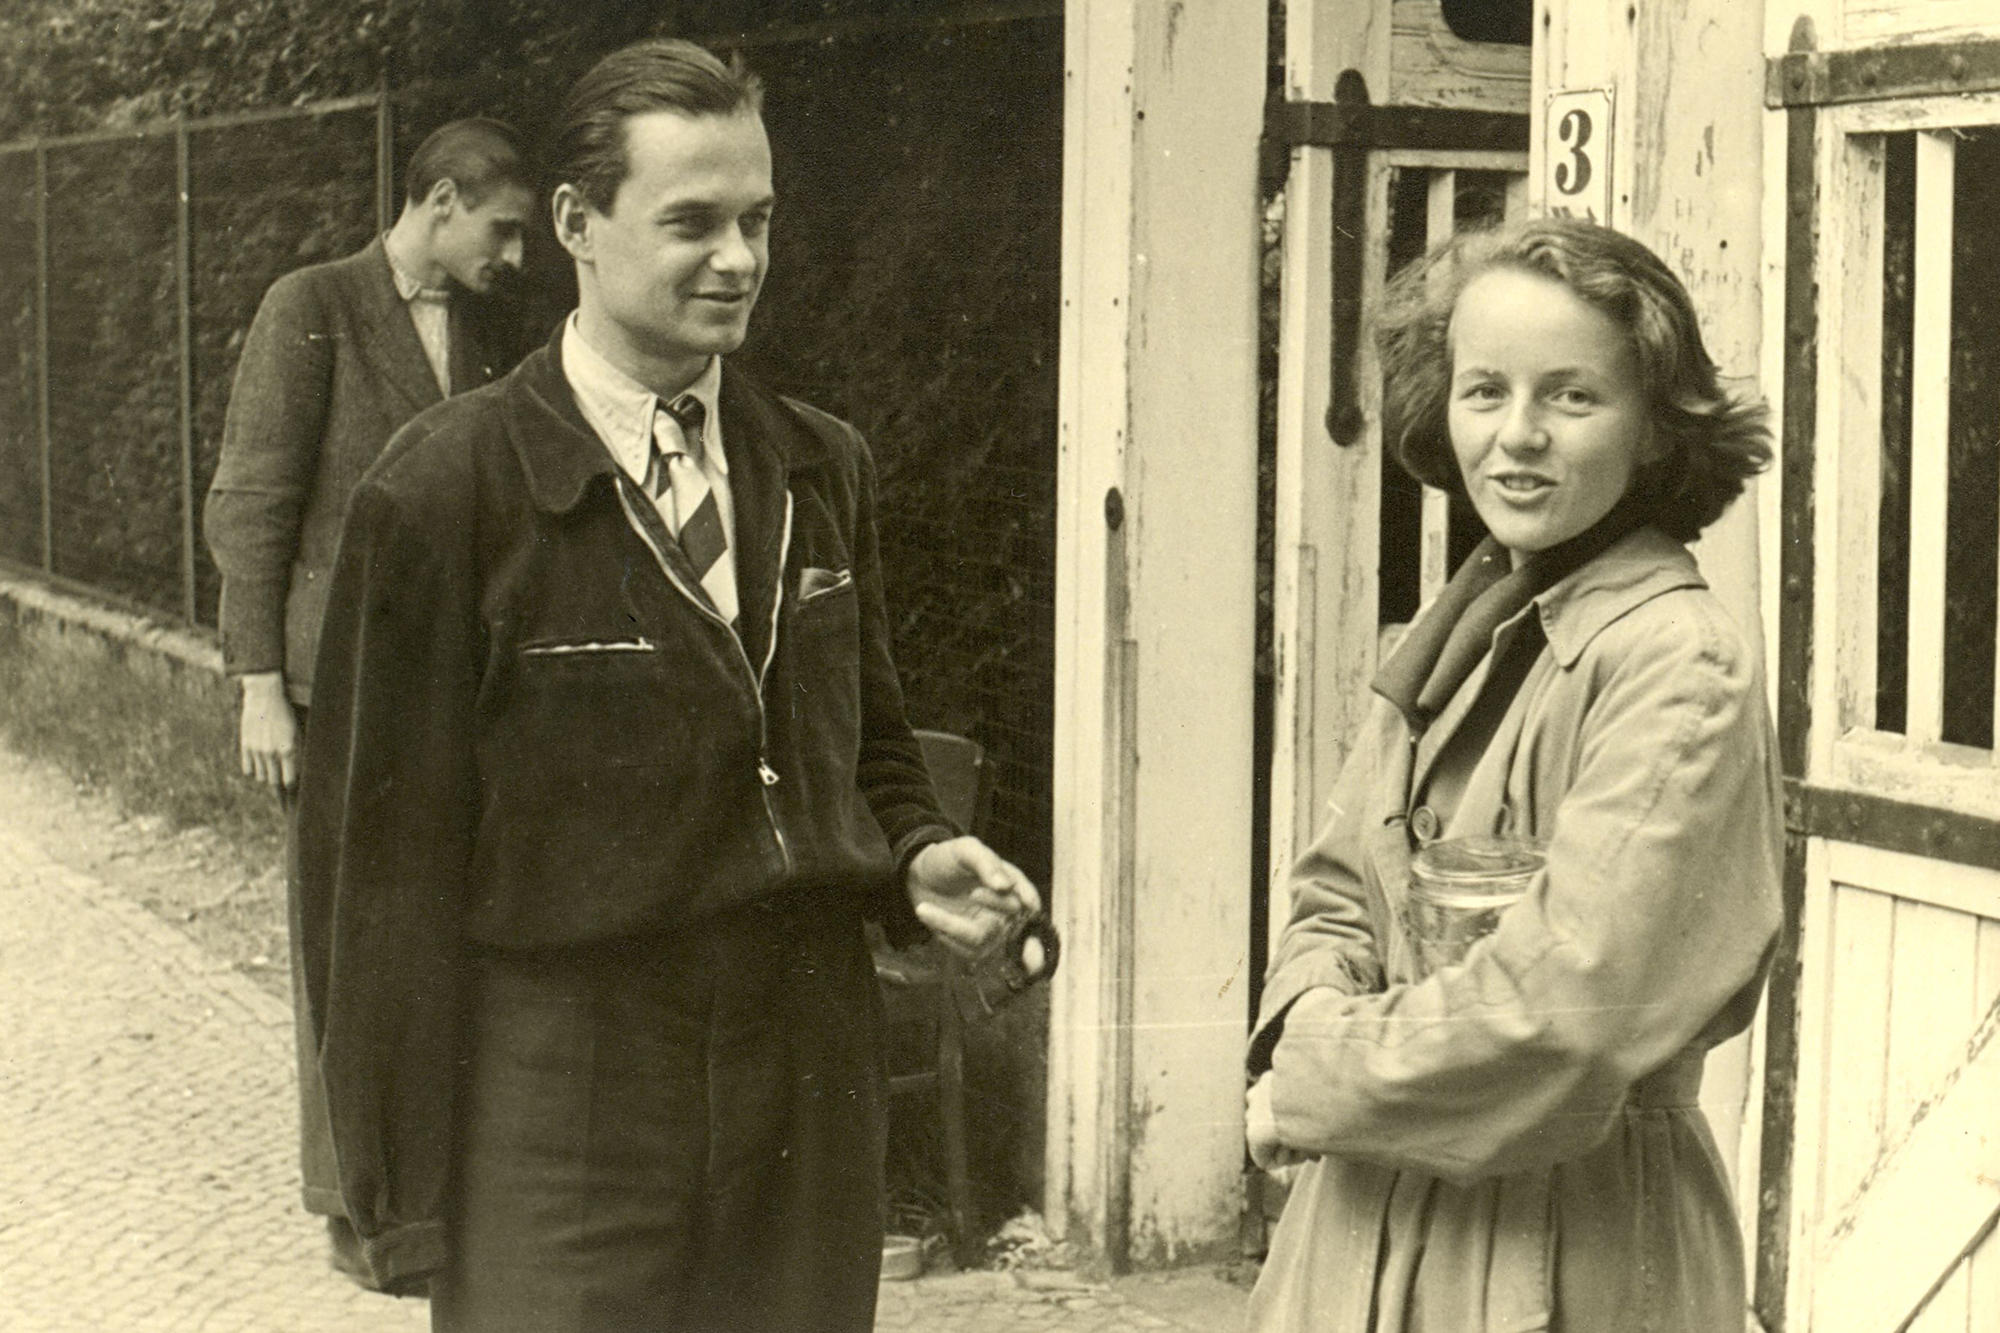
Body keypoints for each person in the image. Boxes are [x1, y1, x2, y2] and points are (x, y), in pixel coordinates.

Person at [295, 38, 1042, 1332]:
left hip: (807, 1081)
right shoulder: (441, 493)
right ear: (578, 225)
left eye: (758, 220)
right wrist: (399, 1193)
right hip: (566, 1093)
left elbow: (864, 754)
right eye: (693, 222)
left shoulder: (823, 467)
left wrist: (913, 855)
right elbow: (378, 870)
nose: (741, 258)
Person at [1243, 216, 1782, 1331]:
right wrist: (1311, 1018)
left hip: (1568, 1244)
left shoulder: (1677, 664)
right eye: (1483, 390)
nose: (1516, 436)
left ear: (1652, 431)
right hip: (1354, 1232)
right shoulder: (1474, 620)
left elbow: (1557, 1015)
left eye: (1570, 398)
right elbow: (1337, 893)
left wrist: (1307, 1082)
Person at [201, 116, 534, 1275]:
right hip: (329, 682)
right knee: (341, 943)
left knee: (437, 936)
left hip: (456, 685)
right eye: (501, 229)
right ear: (440, 202)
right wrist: (256, 684)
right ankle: (352, 1198)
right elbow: (249, 501)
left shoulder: (495, 330)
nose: (515, 256)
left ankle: (428, 1189)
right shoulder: (314, 304)